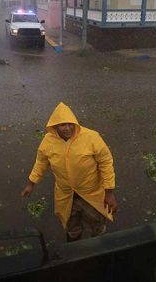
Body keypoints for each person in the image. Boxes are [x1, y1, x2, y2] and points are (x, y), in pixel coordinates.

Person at [21, 102, 118, 242]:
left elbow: (106, 162)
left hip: (91, 193)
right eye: (62, 125)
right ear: (55, 127)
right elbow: (41, 163)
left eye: (70, 124)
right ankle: (74, 243)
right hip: (66, 195)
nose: (67, 128)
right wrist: (31, 183)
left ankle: (99, 243)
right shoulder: (48, 142)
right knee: (70, 224)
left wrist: (109, 192)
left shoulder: (91, 137)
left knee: (96, 223)